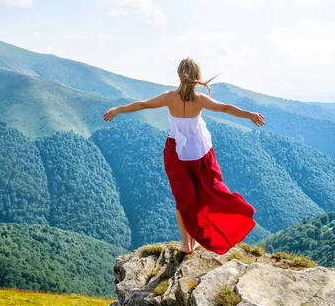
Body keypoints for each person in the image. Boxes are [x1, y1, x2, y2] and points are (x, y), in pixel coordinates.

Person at [103, 58, 264, 254]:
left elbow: (143, 105)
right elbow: (225, 108)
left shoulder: (170, 97)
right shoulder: (200, 99)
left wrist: (118, 109)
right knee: (208, 191)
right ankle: (207, 231)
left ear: (179, 74)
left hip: (176, 153)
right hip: (199, 152)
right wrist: (250, 115)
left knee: (183, 198)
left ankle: (187, 244)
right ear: (197, 77)